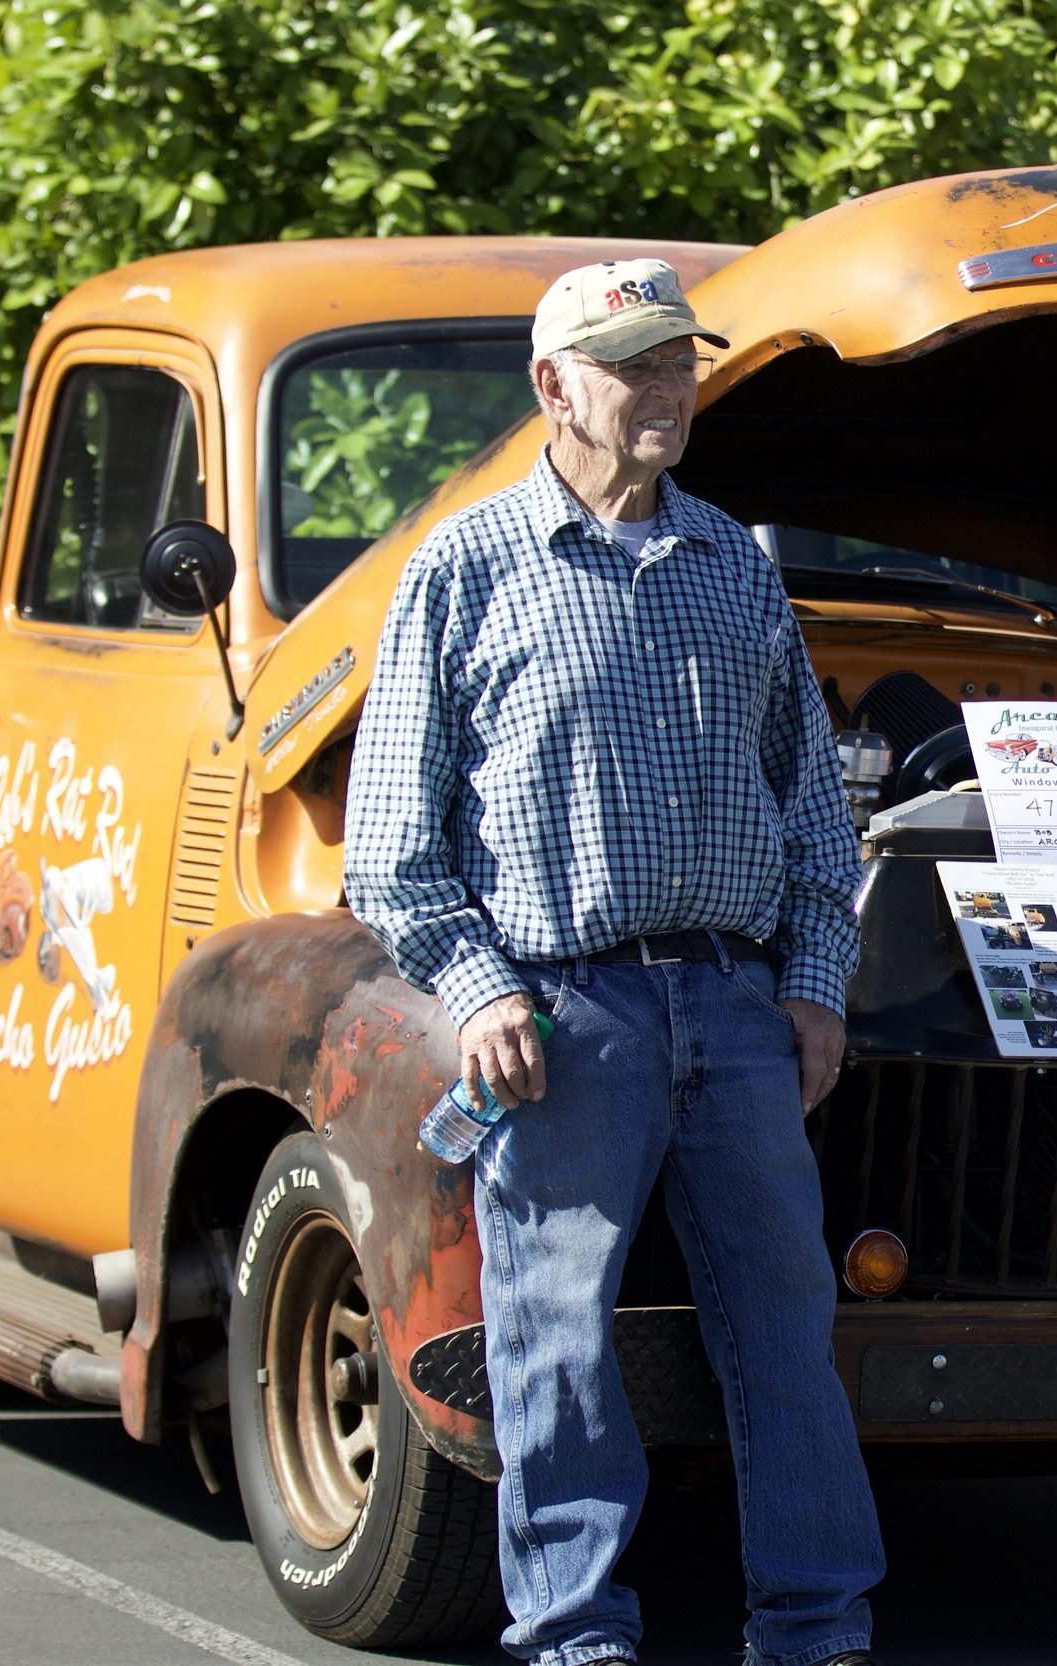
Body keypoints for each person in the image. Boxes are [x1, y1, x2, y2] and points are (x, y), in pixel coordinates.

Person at [344, 259, 884, 1662]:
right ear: (553, 386)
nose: (668, 385)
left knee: (786, 1328)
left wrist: (815, 980)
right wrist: (478, 990)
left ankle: (817, 1626)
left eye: (679, 360)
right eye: (633, 362)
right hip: (561, 1010)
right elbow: (393, 840)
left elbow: (811, 803)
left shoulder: (736, 564)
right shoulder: (464, 568)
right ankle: (577, 1633)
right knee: (557, 1338)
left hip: (735, 999)